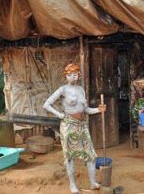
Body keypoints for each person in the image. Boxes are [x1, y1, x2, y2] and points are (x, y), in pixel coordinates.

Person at [43, 63, 106, 194]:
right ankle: (73, 185)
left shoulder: (81, 89)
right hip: (69, 125)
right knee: (70, 156)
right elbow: (46, 104)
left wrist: (98, 110)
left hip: (82, 126)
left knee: (90, 154)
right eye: (71, 75)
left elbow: (86, 110)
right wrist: (59, 114)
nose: (74, 77)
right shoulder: (63, 90)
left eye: (76, 75)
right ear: (66, 76)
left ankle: (93, 182)